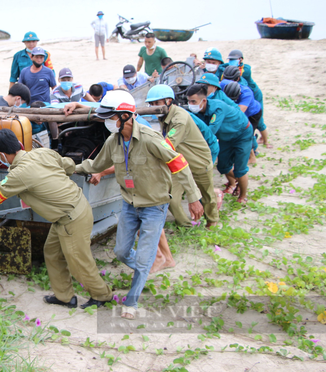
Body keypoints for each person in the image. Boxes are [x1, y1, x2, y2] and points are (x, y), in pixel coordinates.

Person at [75, 90, 203, 319]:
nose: (106, 121)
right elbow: (95, 165)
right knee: (122, 251)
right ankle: (145, 267)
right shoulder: (113, 141)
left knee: (144, 257)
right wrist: (69, 167)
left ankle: (132, 300)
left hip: (155, 205)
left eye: (110, 116)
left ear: (125, 116)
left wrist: (193, 198)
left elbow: (178, 163)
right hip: (129, 204)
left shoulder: (150, 138)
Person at [0, 129, 113, 309]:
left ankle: (102, 296)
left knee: (78, 261)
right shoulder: (42, 152)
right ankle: (65, 297)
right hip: (71, 212)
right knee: (52, 253)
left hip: (71, 218)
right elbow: (68, 165)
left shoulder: (18, 174)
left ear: (2, 155)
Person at [145, 85, 221, 229]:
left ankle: (212, 221)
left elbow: (168, 146)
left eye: (157, 103)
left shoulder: (179, 118)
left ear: (168, 101)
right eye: (151, 104)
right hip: (179, 163)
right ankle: (185, 225)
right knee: (171, 196)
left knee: (207, 194)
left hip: (198, 161)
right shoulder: (165, 115)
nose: (153, 107)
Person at [186, 84, 253, 204]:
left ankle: (243, 196)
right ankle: (237, 182)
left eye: (193, 101)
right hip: (226, 137)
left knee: (240, 168)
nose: (191, 104)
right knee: (223, 166)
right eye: (189, 101)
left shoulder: (217, 108)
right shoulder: (198, 111)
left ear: (204, 100)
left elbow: (210, 132)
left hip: (242, 134)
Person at [219, 50, 270, 148]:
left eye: (234, 59)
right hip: (240, 103)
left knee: (249, 131)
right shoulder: (224, 83)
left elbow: (240, 111)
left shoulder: (245, 89)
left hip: (253, 108)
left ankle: (261, 145)